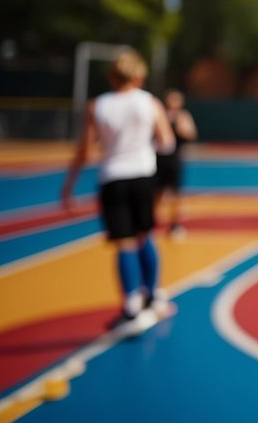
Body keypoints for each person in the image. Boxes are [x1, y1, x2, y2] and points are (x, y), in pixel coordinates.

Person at [61, 49, 175, 334]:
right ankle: (152, 296)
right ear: (138, 76)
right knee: (144, 236)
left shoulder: (97, 106)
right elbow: (167, 143)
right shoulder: (149, 102)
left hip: (112, 179)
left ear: (111, 76)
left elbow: (85, 151)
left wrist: (69, 184)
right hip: (143, 177)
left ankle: (130, 309)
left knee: (124, 244)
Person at [155, 89, 197, 239]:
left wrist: (180, 127)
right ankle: (153, 223)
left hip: (174, 160)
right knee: (157, 193)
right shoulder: (159, 115)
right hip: (158, 159)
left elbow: (191, 134)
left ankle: (175, 224)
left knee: (176, 194)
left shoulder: (183, 116)